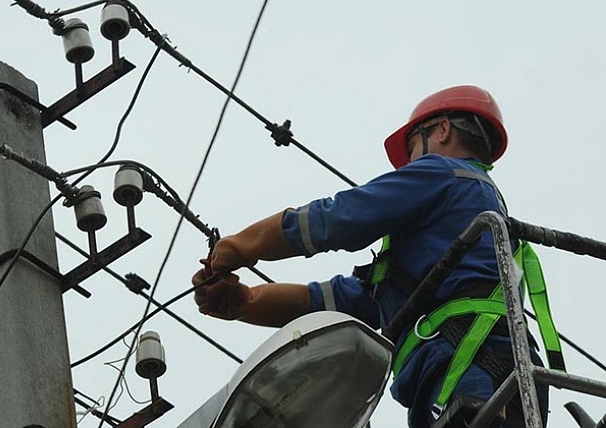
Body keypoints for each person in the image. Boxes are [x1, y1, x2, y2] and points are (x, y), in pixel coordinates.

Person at [192, 85, 558, 427]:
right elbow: (335, 303)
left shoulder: (441, 174)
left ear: (442, 130)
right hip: (489, 372)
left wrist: (240, 246)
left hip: (468, 365)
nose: (408, 163)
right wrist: (246, 301)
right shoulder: (455, 226)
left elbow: (337, 219)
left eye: (413, 146)